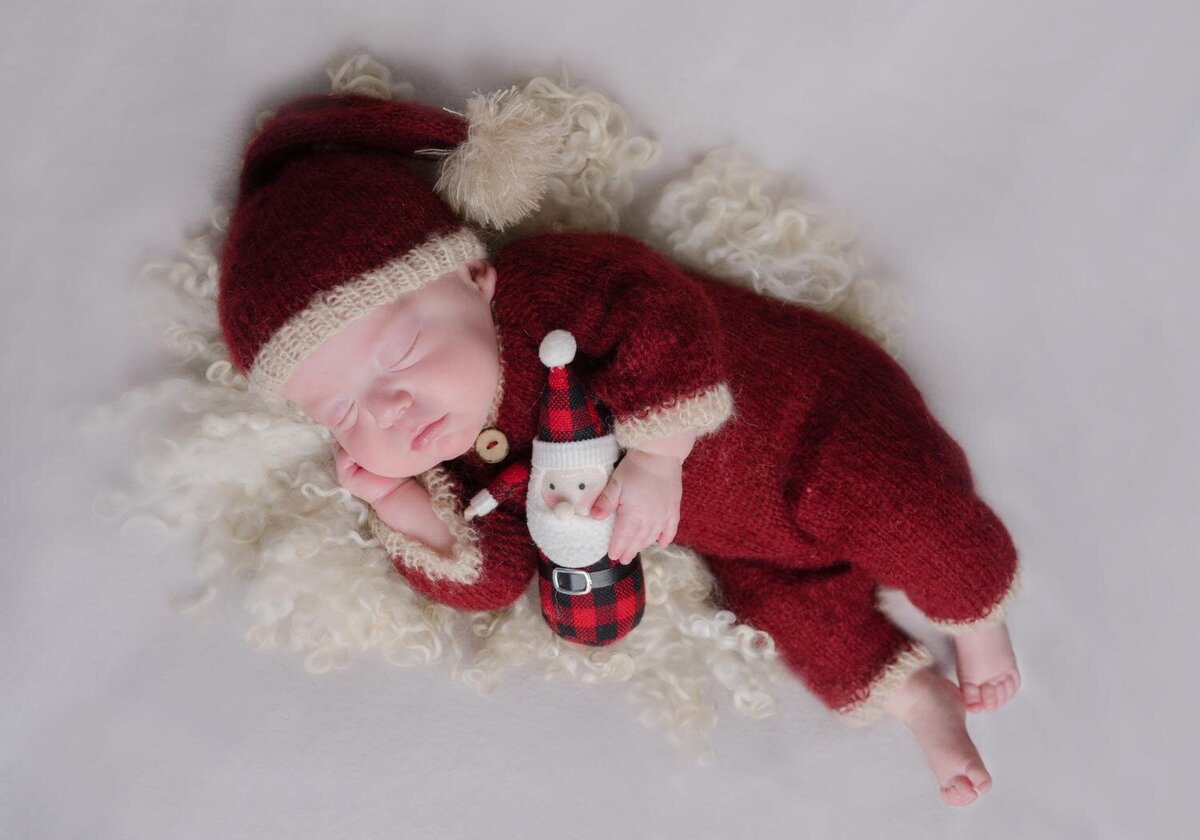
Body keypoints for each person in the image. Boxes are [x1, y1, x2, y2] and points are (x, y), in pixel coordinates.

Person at [218, 88, 1020, 807]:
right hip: (752, 547)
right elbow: (498, 575)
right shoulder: (451, 463)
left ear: (473, 278)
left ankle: (977, 618)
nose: (389, 409)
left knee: (906, 516)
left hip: (813, 424)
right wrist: (403, 506)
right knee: (793, 618)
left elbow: (658, 311)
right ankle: (919, 699)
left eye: (397, 355)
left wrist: (659, 457)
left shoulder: (550, 296)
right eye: (340, 408)